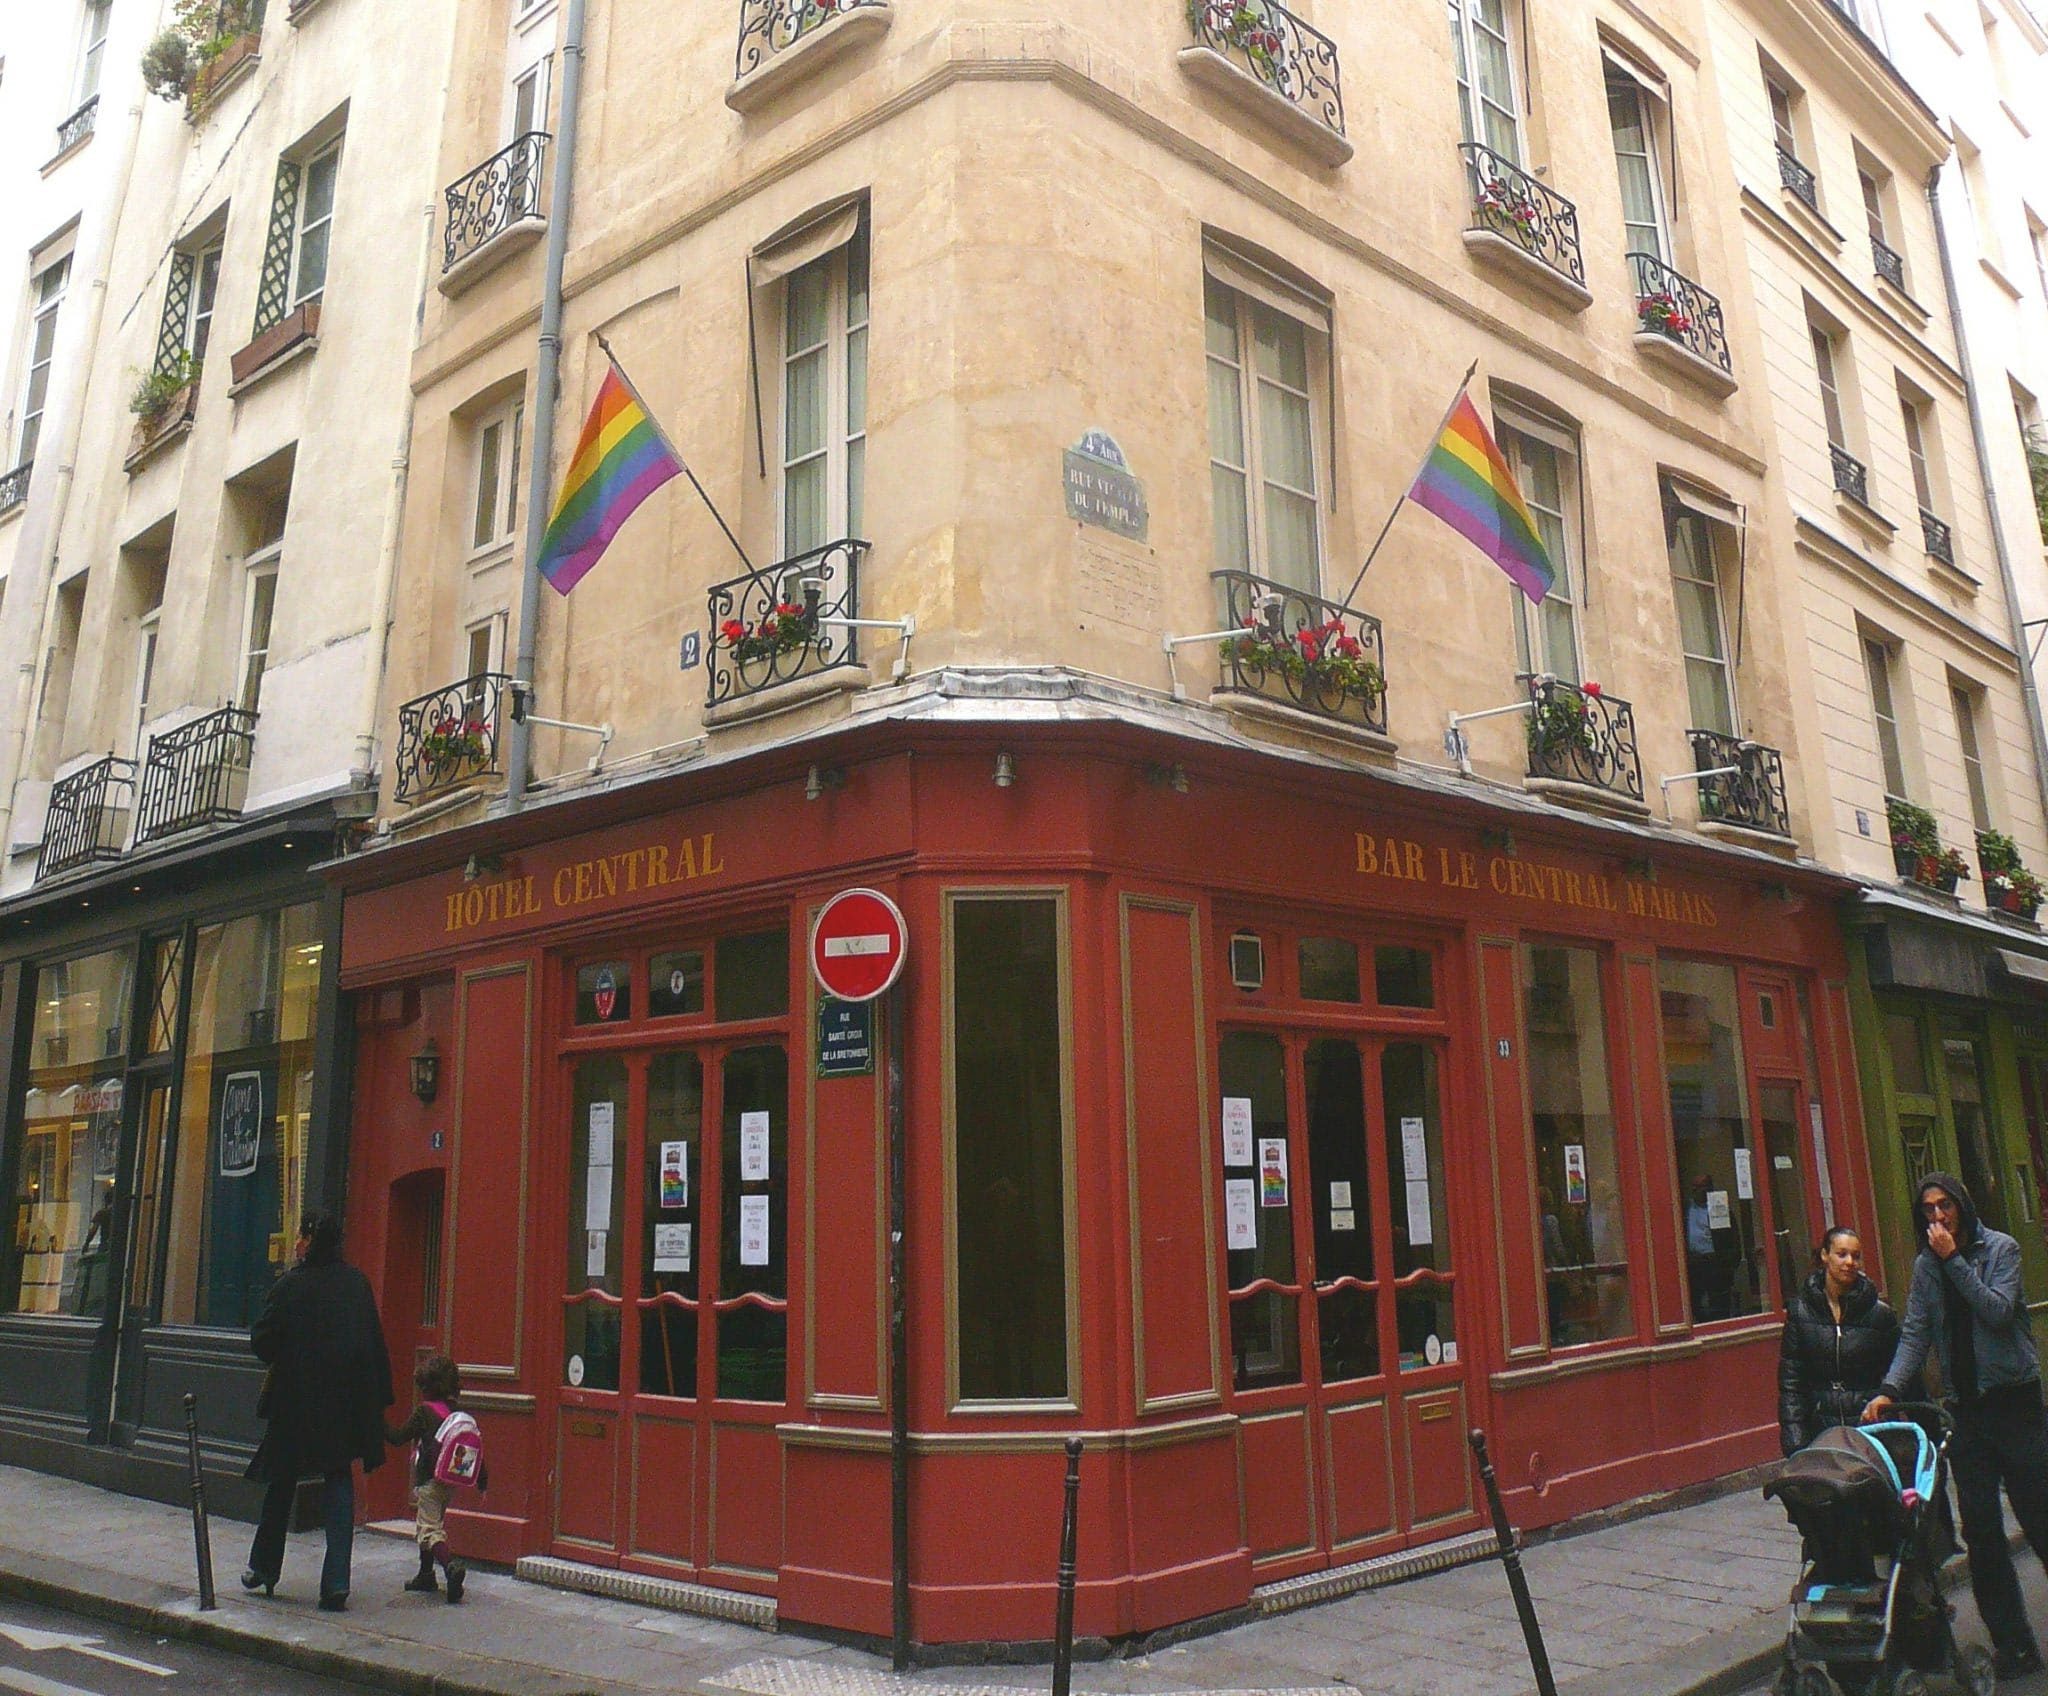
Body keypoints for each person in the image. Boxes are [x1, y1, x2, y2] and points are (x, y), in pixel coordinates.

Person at [1864, 1172, 2048, 1681]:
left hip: (2014, 1403)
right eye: (1928, 1210)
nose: (1937, 1216)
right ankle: (2014, 1646)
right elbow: (1916, 1333)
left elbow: (1997, 1311)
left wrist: (1953, 1261)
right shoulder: (1926, 1266)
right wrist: (1889, 1390)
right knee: (1982, 1532)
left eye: (1944, 1205)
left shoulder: (2001, 1250)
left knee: (2038, 1517)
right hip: (1966, 1411)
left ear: (1962, 1206)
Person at [241, 1208, 393, 1612]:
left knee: (281, 1483)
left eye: (302, 1236)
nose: (296, 1243)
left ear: (311, 1241)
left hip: (296, 1402)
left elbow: (263, 1341)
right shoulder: (356, 1284)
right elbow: (373, 1345)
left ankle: (264, 1567)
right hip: (343, 1406)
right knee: (339, 1480)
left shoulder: (292, 1285)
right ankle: (336, 1582)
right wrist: (376, 1401)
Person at [1777, 1225, 1898, 1455]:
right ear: (1825, 1255)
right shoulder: (1801, 1312)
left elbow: (1900, 1375)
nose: (1850, 1262)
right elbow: (1792, 1383)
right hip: (1821, 1431)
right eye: (1842, 1254)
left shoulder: (1880, 1314)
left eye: (1856, 1256)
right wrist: (1795, 1441)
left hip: (1869, 1429)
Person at [384, 1352, 484, 1602]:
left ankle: (451, 1568)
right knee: (428, 1523)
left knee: (429, 1531)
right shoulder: (458, 1413)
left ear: (427, 1387)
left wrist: (377, 1422)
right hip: (450, 1483)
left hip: (429, 1481)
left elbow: (398, 1438)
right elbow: (473, 1450)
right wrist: (483, 1481)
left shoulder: (424, 1412)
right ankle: (426, 1574)